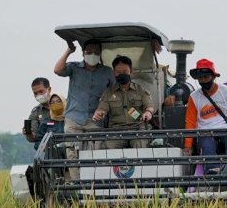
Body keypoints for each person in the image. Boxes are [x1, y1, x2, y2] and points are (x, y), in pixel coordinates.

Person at [54, 38, 114, 179]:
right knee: (73, 154)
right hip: (74, 118)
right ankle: (77, 187)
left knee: (95, 154)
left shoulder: (107, 72)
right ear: (83, 53)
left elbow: (113, 93)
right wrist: (69, 50)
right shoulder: (73, 68)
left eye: (95, 52)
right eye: (89, 52)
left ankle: (93, 187)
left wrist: (103, 110)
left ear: (100, 54)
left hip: (95, 120)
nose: (92, 55)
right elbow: (57, 70)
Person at [183, 58, 227, 174]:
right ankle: (212, 173)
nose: (203, 80)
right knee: (207, 145)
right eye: (200, 78)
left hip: (226, 130)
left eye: (206, 77)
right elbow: (190, 122)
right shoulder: (193, 97)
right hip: (206, 132)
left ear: (213, 77)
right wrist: (188, 145)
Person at [92, 56, 155, 148]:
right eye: (118, 72)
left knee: (141, 145)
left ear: (131, 71)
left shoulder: (140, 90)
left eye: (125, 71)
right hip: (116, 132)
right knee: (107, 147)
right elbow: (102, 108)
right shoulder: (108, 93)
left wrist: (148, 112)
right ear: (114, 73)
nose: (122, 74)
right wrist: (99, 113)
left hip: (137, 130)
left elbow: (149, 105)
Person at [22, 78, 51, 143]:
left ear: (49, 89)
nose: (38, 95)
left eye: (41, 91)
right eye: (35, 93)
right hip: (49, 149)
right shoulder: (36, 112)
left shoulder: (65, 105)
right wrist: (29, 134)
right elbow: (32, 139)